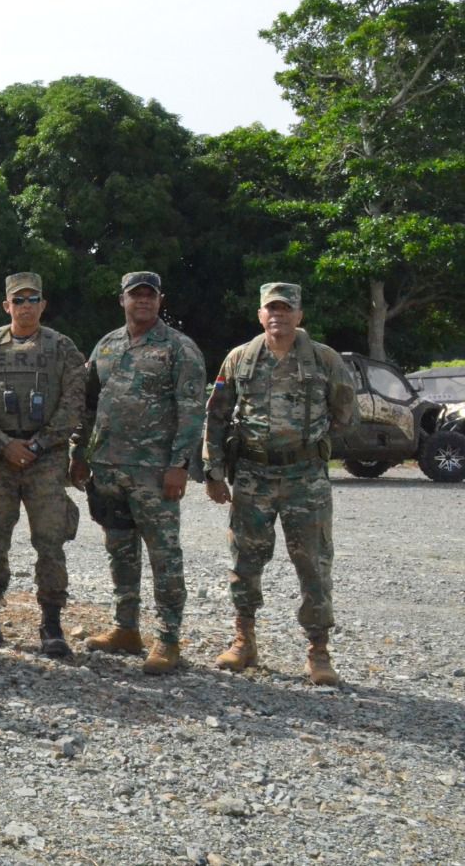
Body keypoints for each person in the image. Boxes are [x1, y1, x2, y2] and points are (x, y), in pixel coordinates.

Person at [203, 282, 356, 686]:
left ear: (299, 315)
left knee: (314, 564)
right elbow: (216, 416)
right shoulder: (241, 359)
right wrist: (214, 471)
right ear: (259, 315)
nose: (278, 315)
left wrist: (313, 445)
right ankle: (244, 640)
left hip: (306, 479)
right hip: (252, 477)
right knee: (245, 561)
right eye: (271, 308)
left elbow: (346, 414)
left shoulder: (324, 359)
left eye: (286, 309)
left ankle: (318, 651)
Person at [70, 271, 205, 675]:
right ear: (122, 300)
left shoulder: (179, 348)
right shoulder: (107, 346)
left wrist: (180, 465)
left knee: (164, 555)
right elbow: (89, 403)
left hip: (155, 472)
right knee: (120, 550)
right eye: (135, 295)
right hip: (109, 468)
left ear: (159, 300)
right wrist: (79, 452)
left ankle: (168, 638)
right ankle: (126, 628)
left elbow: (191, 411)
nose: (142, 301)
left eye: (149, 295)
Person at [0, 272, 86, 657]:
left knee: (50, 542)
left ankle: (51, 625)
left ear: (43, 305)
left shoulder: (62, 348)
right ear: (7, 306)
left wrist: (38, 443)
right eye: (19, 300)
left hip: (45, 460)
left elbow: (74, 402)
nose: (26, 307)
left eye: (33, 300)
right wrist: (2, 443)